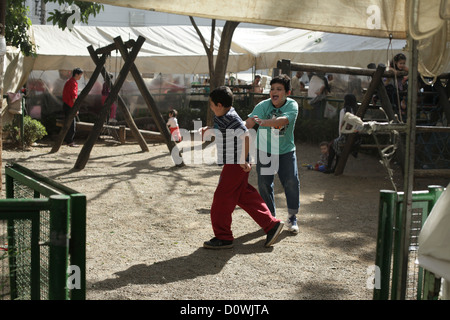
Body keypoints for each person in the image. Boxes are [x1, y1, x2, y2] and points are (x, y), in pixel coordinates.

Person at [200, 86, 284, 249]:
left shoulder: (231, 118)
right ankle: (271, 224)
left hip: (236, 164)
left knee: (221, 199)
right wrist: (210, 130)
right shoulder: (224, 114)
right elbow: (224, 131)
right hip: (235, 163)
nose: (210, 108)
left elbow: (246, 135)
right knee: (244, 195)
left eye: (211, 105)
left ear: (219, 105)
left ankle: (223, 237)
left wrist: (242, 160)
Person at [245, 74, 300, 234]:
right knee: (264, 185)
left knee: (291, 182)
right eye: (272, 88)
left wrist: (264, 122)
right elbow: (248, 123)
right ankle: (271, 220)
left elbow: (282, 121)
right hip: (265, 149)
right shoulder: (263, 106)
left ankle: (292, 217)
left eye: (279, 89)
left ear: (287, 93)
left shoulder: (292, 105)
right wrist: (229, 124)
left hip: (285, 151)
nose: (274, 92)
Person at [325, 93, 361, 173]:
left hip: (345, 136)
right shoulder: (355, 110)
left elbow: (341, 125)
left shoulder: (344, 110)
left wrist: (340, 136)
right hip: (354, 136)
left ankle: (329, 167)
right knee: (335, 145)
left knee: (332, 146)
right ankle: (334, 167)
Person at [62, 67, 83, 147]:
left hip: (66, 104)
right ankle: (69, 141)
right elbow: (74, 97)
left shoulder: (69, 81)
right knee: (71, 125)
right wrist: (76, 108)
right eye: (80, 75)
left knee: (68, 124)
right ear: (76, 74)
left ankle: (67, 140)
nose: (80, 77)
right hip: (70, 105)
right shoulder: (73, 83)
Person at [385, 53, 409, 121]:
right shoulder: (391, 68)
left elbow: (412, 71)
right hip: (391, 86)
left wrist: (407, 77)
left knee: (404, 90)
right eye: (400, 63)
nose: (402, 65)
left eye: (403, 63)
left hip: (399, 87)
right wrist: (394, 71)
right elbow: (388, 69)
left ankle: (402, 106)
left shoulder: (404, 68)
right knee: (393, 93)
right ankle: (398, 109)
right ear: (396, 62)